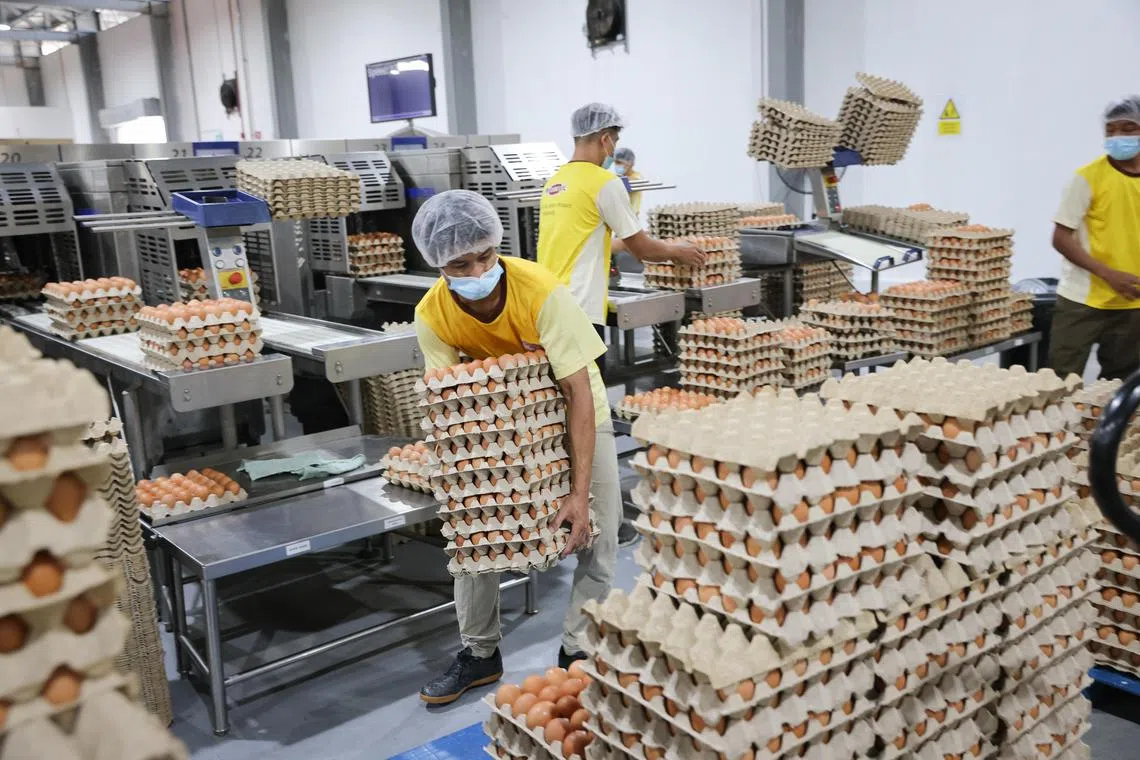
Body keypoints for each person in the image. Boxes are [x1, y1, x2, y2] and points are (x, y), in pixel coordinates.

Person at [411, 189, 622, 705]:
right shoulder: (433, 313)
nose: (480, 268)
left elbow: (576, 391)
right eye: (462, 263)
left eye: (486, 255)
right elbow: (453, 402)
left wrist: (575, 492)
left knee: (601, 528)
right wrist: (471, 480)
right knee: (472, 539)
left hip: (576, 407)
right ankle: (479, 653)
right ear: (439, 266)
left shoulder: (539, 291)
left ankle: (579, 647)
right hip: (502, 423)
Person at [536, 103, 706, 358]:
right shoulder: (604, 182)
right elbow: (644, 250)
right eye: (614, 140)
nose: (614, 149)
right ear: (605, 139)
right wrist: (676, 251)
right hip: (580, 308)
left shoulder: (556, 181)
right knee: (589, 393)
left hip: (548, 303)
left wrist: (626, 242)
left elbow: (578, 240)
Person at [1050, 96, 1140, 380]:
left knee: (1120, 385)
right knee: (1060, 382)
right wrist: (1108, 274)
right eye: (1110, 131)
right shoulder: (1087, 178)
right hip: (1083, 298)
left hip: (1133, 300)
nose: (1118, 137)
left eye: (1127, 129)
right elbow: (1061, 237)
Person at [613, 146, 642, 216]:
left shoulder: (637, 177)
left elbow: (633, 181)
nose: (617, 165)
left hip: (631, 218)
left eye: (620, 162)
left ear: (630, 163)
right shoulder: (618, 177)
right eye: (616, 162)